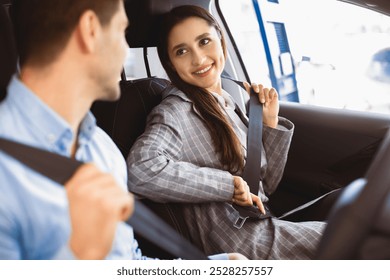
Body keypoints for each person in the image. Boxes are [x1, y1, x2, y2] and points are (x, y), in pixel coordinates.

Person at [0, 0, 246, 260]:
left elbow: (130, 263)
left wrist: (214, 267)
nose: (125, 51)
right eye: (121, 32)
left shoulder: (101, 148)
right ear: (90, 31)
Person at [127, 5, 326, 260]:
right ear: (171, 64)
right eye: (182, 51)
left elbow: (265, 188)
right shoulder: (175, 111)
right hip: (239, 244)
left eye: (205, 41)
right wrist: (227, 185)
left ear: (222, 42)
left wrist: (269, 123)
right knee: (355, 238)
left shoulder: (228, 102)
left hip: (263, 226)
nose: (198, 59)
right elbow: (140, 170)